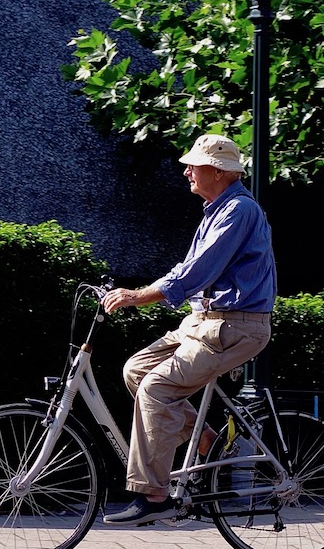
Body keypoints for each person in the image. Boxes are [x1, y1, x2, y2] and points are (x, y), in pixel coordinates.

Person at [101, 133, 276, 526]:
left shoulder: (238, 211)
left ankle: (155, 496)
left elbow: (198, 272)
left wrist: (138, 297)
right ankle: (210, 443)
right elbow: (187, 270)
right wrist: (139, 293)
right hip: (205, 322)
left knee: (156, 389)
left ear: (219, 172)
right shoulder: (217, 209)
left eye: (194, 166)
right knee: (136, 371)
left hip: (234, 326)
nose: (186, 172)